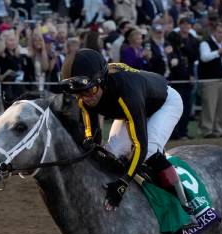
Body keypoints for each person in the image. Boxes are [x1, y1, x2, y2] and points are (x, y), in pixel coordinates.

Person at [59, 48, 189, 212]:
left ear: (102, 81)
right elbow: (93, 139)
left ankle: (185, 205)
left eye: (90, 90)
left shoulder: (126, 93)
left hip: (164, 102)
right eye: (78, 94)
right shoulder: (85, 96)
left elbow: (140, 145)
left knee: (147, 151)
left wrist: (123, 182)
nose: (86, 98)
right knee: (112, 152)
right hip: (135, 105)